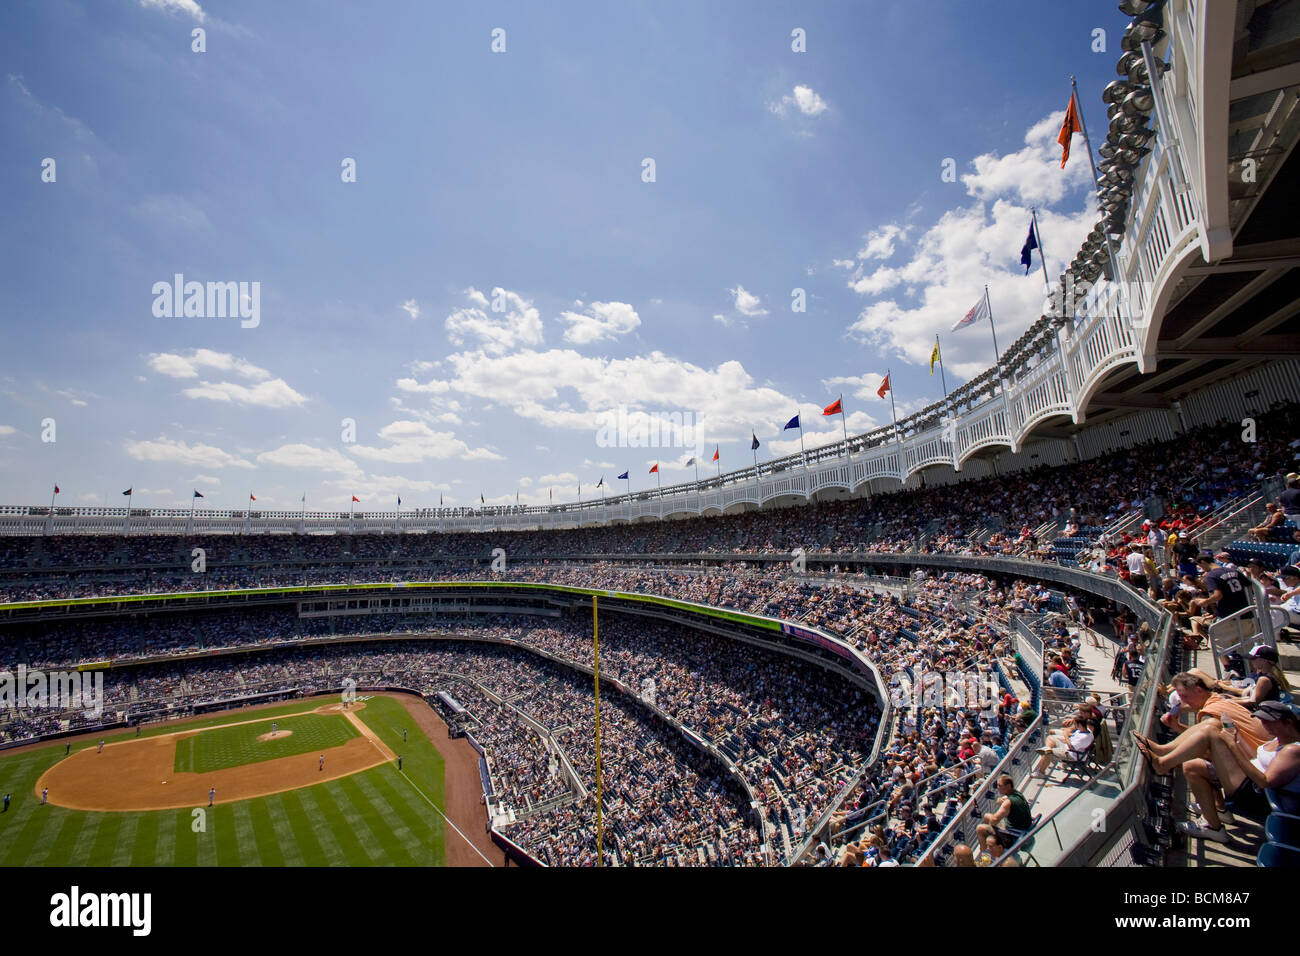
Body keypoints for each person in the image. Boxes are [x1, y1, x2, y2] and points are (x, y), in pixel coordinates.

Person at [1178, 700, 1300, 842]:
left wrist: (1231, 744)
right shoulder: (1278, 739)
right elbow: (1256, 758)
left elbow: (1264, 782)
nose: (1265, 725)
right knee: (1193, 767)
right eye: (1262, 720)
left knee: (1212, 731)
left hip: (1257, 795)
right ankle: (1216, 820)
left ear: (1288, 722)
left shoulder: (1293, 750)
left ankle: (1162, 760)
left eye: (1269, 721)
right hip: (1249, 783)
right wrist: (1236, 741)